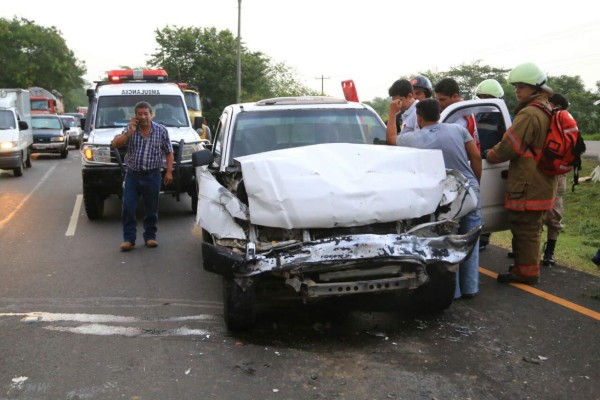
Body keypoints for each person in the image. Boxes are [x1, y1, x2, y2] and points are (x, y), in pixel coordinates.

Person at [397, 99, 482, 299]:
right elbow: (476, 157)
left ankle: (455, 293)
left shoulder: (414, 137)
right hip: (469, 188)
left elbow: (390, 139)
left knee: (450, 243)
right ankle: (471, 288)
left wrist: (393, 113)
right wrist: (476, 183)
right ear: (440, 113)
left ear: (419, 117)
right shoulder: (458, 130)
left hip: (446, 196)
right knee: (471, 239)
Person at [483, 62, 556, 285]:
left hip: (527, 184)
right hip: (541, 182)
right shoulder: (546, 109)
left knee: (525, 230)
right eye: (516, 86)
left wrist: (489, 155)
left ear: (536, 88)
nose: (517, 90)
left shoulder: (529, 114)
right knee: (531, 229)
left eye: (522, 86)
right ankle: (525, 269)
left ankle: (525, 274)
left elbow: (508, 147)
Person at [111, 101, 174, 251]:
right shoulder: (130, 130)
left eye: (146, 114)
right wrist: (129, 132)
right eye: (140, 114)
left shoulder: (161, 131)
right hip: (133, 175)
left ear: (152, 115)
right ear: (135, 116)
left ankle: (150, 237)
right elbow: (115, 144)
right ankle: (129, 239)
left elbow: (169, 152)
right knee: (128, 206)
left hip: (153, 175)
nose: (143, 117)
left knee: (151, 208)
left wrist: (169, 171)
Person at [473, 79, 506, 251]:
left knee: (486, 199)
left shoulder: (502, 118)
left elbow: (506, 143)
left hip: (492, 164)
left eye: (487, 97)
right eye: (481, 97)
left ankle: (484, 239)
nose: (483, 100)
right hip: (477, 162)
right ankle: (478, 236)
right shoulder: (476, 115)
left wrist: (491, 153)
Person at [541, 93, 571, 266]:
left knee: (550, 214)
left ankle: (548, 252)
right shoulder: (556, 121)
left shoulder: (558, 122)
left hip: (552, 173)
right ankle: (542, 253)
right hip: (552, 172)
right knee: (547, 214)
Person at [434, 78, 481, 151]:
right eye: (437, 99)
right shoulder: (461, 110)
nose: (439, 103)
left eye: (442, 100)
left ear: (455, 96)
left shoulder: (461, 116)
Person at [386, 79, 418, 145]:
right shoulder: (406, 112)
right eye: (393, 101)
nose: (396, 104)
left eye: (399, 100)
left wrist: (392, 112)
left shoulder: (418, 113)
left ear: (409, 96)